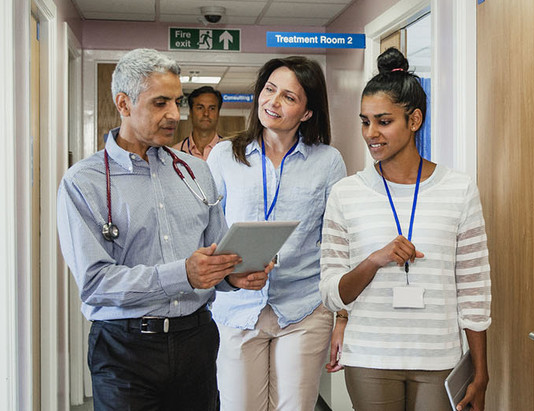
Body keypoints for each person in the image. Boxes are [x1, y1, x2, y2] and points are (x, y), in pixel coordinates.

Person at [57, 48, 268, 410]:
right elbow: (95, 283)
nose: (174, 114)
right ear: (124, 103)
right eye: (160, 103)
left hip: (196, 341)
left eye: (176, 101)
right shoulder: (84, 182)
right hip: (124, 349)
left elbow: (214, 256)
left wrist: (232, 277)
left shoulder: (196, 172)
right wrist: (182, 273)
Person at [319, 47, 492, 411]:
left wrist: (481, 372)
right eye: (365, 122)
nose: (371, 134)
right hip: (369, 356)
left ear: (414, 120)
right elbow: (332, 293)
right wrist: (374, 260)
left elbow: (475, 290)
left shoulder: (459, 189)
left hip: (438, 356)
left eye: (384, 121)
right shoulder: (345, 193)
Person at [206, 56, 347, 410]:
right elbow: (205, 228)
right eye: (269, 90)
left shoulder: (328, 161)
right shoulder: (225, 155)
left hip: (302, 306)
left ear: (307, 112)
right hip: (236, 307)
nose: (273, 102)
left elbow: (337, 242)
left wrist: (342, 317)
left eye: (288, 96)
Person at [172, 85, 223, 160]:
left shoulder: (231, 152)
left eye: (212, 108)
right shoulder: (175, 153)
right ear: (191, 112)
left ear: (218, 113)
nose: (206, 113)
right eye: (200, 108)